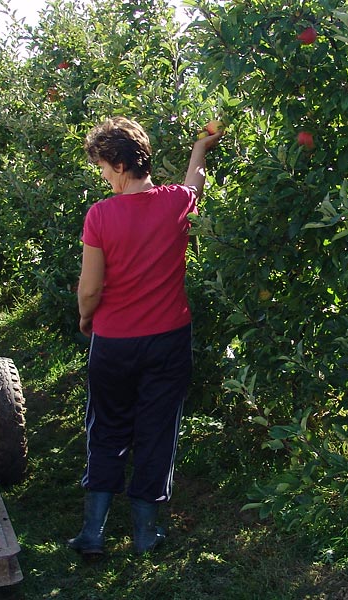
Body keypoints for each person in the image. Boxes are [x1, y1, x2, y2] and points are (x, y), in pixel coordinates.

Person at [68, 116, 223, 557]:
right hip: (168, 340)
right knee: (157, 432)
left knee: (107, 428)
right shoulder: (176, 202)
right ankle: (145, 534)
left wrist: (85, 318)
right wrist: (201, 149)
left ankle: (93, 533)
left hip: (114, 342)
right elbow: (195, 182)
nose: (101, 174)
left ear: (117, 164)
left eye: (101, 164)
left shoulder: (100, 214)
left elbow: (91, 288)